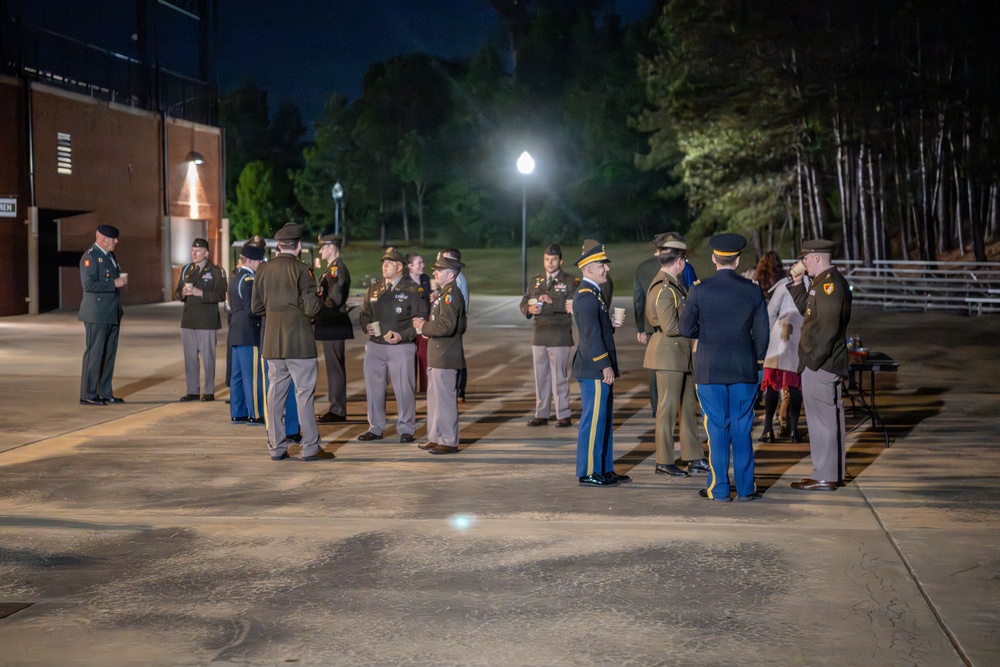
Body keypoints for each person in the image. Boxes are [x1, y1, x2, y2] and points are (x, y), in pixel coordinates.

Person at [679, 233, 769, 502]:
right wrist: (758, 362)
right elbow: (763, 335)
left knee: (717, 430)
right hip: (743, 368)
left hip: (710, 370)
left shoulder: (699, 289)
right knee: (742, 429)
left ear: (713, 258)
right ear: (738, 260)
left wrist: (705, 331)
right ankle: (745, 489)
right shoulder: (752, 290)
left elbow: (685, 328)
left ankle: (718, 489)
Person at [250, 222, 327, 461]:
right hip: (300, 342)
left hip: (272, 340)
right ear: (299, 245)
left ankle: (277, 447)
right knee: (304, 394)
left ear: (279, 245)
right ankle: (311, 447)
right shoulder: (303, 270)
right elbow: (312, 308)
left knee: (275, 395)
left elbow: (256, 307)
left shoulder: (263, 270)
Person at [788, 239, 853, 491]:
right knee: (827, 419)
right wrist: (796, 284)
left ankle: (825, 475)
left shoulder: (829, 285)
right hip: (824, 361)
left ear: (815, 257)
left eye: (804, 259)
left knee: (822, 422)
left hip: (822, 363)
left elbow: (827, 328)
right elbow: (809, 312)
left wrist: (813, 361)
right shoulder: (824, 282)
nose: (802, 264)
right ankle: (830, 473)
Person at [642, 235, 706, 477]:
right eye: (684, 260)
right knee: (667, 409)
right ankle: (664, 460)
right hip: (669, 354)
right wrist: (695, 325)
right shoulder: (664, 287)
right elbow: (670, 327)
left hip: (680, 354)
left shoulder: (674, 283)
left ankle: (693, 456)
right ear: (679, 261)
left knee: (688, 407)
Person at [572, 241, 629, 487]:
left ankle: (604, 468)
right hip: (594, 369)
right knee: (593, 421)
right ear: (587, 269)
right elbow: (590, 337)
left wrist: (611, 326)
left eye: (605, 265)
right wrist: (604, 365)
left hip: (597, 367)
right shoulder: (586, 297)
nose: (606, 269)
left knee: (603, 419)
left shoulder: (594, 294)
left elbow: (598, 331)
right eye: (600, 265)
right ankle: (589, 471)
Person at [357, 247, 428, 443]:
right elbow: (364, 313)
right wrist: (366, 326)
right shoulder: (375, 288)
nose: (384, 265)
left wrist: (403, 336)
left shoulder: (414, 289)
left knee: (404, 389)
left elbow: (421, 321)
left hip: (401, 347)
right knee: (374, 389)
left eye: (389, 263)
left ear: (400, 267)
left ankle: (406, 428)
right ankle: (375, 427)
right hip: (375, 345)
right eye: (383, 263)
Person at [519, 243, 579, 428]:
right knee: (541, 376)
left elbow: (574, 304)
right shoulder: (536, 280)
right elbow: (524, 300)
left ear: (560, 261)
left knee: (559, 376)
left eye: (554, 259)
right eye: (547, 259)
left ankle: (563, 414)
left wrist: (553, 301)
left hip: (559, 334)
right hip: (539, 334)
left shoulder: (571, 281)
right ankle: (541, 413)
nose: (550, 263)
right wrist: (527, 309)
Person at [412, 254, 467, 454]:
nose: (434, 272)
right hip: (438, 354)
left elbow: (447, 326)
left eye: (439, 270)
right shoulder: (445, 293)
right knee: (435, 400)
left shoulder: (451, 295)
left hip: (445, 355)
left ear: (450, 275)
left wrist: (424, 327)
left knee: (445, 401)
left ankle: (449, 440)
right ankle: (435, 437)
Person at [634, 232, 689, 416]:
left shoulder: (642, 268)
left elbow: (639, 301)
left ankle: (656, 407)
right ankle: (669, 412)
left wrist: (640, 328)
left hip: (652, 327)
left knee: (657, 372)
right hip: (676, 327)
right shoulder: (681, 267)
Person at [759, 257, 806, 443]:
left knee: (772, 384)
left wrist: (769, 338)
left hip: (780, 332)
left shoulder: (783, 285)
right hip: (799, 333)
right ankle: (794, 430)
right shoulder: (811, 285)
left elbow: (771, 312)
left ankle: (768, 428)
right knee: (793, 384)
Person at [79, 224, 126, 405]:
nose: (116, 241)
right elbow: (88, 285)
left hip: (111, 312)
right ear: (103, 239)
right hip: (96, 314)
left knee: (108, 354)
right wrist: (114, 283)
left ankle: (104, 391)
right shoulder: (89, 257)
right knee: (94, 354)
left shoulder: (109, 256)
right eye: (113, 238)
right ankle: (88, 394)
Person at [175, 238, 227, 401]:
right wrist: (183, 293)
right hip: (189, 319)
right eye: (192, 250)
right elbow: (176, 292)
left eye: (198, 251)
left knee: (208, 357)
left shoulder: (216, 271)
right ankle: (192, 391)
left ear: (206, 253)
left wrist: (201, 294)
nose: (194, 253)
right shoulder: (186, 269)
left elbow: (221, 294)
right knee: (190, 357)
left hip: (207, 320)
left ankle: (209, 391)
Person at [314, 232, 353, 423]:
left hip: (334, 323)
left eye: (323, 247)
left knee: (335, 369)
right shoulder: (331, 268)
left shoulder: (336, 269)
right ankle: (335, 407)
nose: (320, 251)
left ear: (331, 247)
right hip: (331, 324)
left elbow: (334, 299)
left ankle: (337, 410)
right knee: (333, 368)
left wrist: (317, 306)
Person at [227, 244, 265, 423]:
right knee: (253, 375)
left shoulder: (235, 277)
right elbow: (253, 308)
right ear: (249, 260)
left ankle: (238, 411)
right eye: (259, 260)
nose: (261, 263)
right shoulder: (249, 280)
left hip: (236, 331)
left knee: (237, 376)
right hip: (249, 332)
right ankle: (256, 413)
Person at [440, 248, 469, 402]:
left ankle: (458, 390)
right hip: (456, 320)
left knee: (454, 358)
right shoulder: (453, 279)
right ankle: (458, 389)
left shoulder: (456, 281)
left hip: (454, 322)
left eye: (444, 260)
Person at [408, 253, 432, 393]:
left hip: (423, 322)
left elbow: (426, 299)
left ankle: (424, 388)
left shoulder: (425, 279)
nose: (423, 265)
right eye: (419, 263)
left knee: (424, 356)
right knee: (410, 356)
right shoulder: (404, 281)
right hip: (409, 323)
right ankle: (410, 387)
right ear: (410, 266)